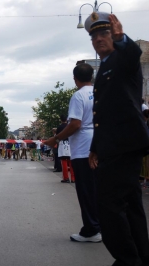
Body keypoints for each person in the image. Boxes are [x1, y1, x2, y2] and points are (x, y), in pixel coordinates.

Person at [85, 12, 149, 265]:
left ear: (114, 36)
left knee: (109, 206)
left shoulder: (123, 58)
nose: (99, 39)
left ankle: (126, 259)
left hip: (125, 145)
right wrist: (95, 148)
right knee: (131, 205)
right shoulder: (105, 68)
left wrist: (122, 38)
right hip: (117, 145)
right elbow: (104, 113)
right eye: (95, 36)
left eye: (105, 33)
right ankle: (141, 257)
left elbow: (134, 55)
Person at [45, 63, 100, 243]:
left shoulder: (78, 96)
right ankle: (101, 226)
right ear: (91, 76)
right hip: (99, 145)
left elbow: (75, 124)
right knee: (97, 189)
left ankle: (91, 230)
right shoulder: (99, 93)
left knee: (86, 191)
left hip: (83, 149)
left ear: (75, 79)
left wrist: (56, 138)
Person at [56, 115, 75, 183]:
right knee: (71, 162)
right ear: (67, 119)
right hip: (70, 144)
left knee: (64, 162)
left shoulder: (59, 127)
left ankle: (66, 178)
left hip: (62, 144)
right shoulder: (69, 126)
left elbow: (57, 138)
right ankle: (73, 178)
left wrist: (57, 144)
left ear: (61, 120)